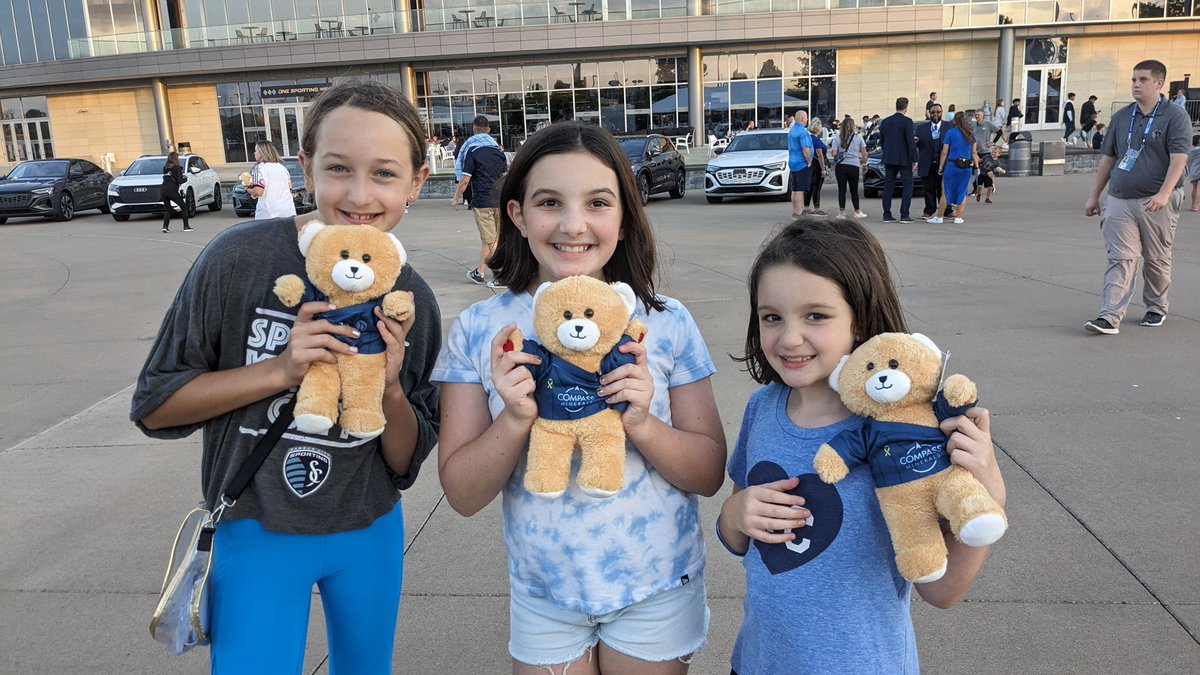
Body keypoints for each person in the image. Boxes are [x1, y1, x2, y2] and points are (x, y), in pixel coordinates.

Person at [130, 80, 441, 673]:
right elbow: (156, 404)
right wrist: (281, 369)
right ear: (305, 168)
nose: (359, 194)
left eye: (384, 174)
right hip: (256, 527)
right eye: (338, 168)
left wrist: (393, 388)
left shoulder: (413, 299)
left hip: (367, 530)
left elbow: (403, 463)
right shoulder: (238, 259)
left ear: (416, 182)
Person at [432, 121, 726, 675]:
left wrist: (642, 422)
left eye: (597, 202)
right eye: (549, 202)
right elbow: (464, 494)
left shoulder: (665, 321)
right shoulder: (480, 330)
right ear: (516, 215)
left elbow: (708, 472)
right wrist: (516, 418)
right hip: (545, 590)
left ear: (623, 215)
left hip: (656, 581)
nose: (573, 225)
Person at [719, 217, 1006, 674]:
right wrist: (733, 516)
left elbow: (943, 591)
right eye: (771, 316)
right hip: (759, 662)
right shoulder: (761, 409)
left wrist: (990, 490)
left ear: (861, 320)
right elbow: (735, 535)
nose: (789, 337)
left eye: (816, 315)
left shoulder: (910, 432)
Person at [1083, 59, 1192, 335]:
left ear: (1159, 83)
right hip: (1120, 198)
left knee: (1156, 257)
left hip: (1156, 200)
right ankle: (1109, 316)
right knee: (1121, 257)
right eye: (1133, 79)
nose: (1136, 84)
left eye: (1143, 79)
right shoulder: (1122, 117)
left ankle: (1156, 306)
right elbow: (1108, 159)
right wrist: (1094, 195)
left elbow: (1179, 158)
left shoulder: (1174, 116)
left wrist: (1165, 193)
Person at [452, 115, 508, 288]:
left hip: (483, 202)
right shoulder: (499, 152)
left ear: (474, 130)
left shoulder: (472, 151)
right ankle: (480, 272)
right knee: (493, 240)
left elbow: (465, 180)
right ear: (489, 130)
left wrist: (456, 198)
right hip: (500, 200)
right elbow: (504, 176)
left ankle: (501, 275)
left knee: (490, 241)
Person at [931, 111, 979, 225]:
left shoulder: (951, 133)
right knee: (962, 191)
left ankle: (939, 217)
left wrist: (941, 167)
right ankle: (958, 217)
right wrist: (977, 167)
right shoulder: (970, 134)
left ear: (955, 121)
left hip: (952, 165)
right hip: (966, 166)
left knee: (946, 191)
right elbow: (974, 152)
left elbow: (944, 152)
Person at [877, 97, 917, 223]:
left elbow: (882, 141)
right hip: (904, 159)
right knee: (907, 186)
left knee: (888, 186)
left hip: (889, 157)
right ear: (906, 106)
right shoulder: (907, 122)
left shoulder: (885, 122)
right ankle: (904, 214)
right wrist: (914, 158)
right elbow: (910, 141)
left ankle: (887, 214)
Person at [829, 115, 869, 219]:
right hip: (854, 165)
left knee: (842, 190)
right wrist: (865, 164)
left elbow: (833, 153)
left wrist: (840, 153)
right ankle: (857, 211)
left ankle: (841, 212)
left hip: (841, 166)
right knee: (854, 190)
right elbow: (864, 152)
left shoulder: (838, 138)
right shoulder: (858, 137)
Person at [248, 140, 297, 220]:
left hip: (268, 213)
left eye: (256, 150)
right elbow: (289, 188)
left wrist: (247, 189)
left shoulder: (258, 168)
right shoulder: (282, 168)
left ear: (262, 152)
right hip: (288, 211)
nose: (254, 153)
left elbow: (258, 191)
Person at [915, 103, 947, 220]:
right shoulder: (921, 128)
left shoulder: (949, 126)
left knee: (943, 188)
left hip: (943, 163)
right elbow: (917, 143)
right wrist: (915, 142)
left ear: (941, 112)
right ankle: (929, 209)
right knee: (928, 187)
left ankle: (946, 210)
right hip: (927, 163)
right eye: (933, 112)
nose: (935, 114)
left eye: (938, 112)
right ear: (929, 113)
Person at [788, 109, 815, 218]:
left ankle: (796, 211)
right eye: (807, 117)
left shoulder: (791, 131)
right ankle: (799, 213)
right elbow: (806, 149)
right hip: (801, 163)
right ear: (803, 119)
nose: (807, 119)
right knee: (800, 189)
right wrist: (809, 161)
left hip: (793, 163)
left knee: (794, 189)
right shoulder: (803, 132)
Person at [160, 150, 191, 233]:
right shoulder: (178, 168)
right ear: (176, 158)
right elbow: (179, 180)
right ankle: (186, 226)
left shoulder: (165, 168)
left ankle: (165, 227)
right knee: (184, 207)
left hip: (163, 190)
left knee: (168, 209)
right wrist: (186, 178)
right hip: (172, 190)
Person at [803, 119, 829, 216]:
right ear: (818, 129)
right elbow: (820, 155)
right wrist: (823, 169)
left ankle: (806, 207)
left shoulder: (808, 139)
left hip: (809, 164)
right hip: (817, 165)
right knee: (816, 187)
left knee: (809, 186)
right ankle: (816, 208)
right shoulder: (817, 141)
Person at [1188, 134, 1200, 212]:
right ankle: (1197, 205)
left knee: (1195, 188)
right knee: (1199, 188)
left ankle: (1193, 205)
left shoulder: (1191, 151)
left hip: (1193, 171)